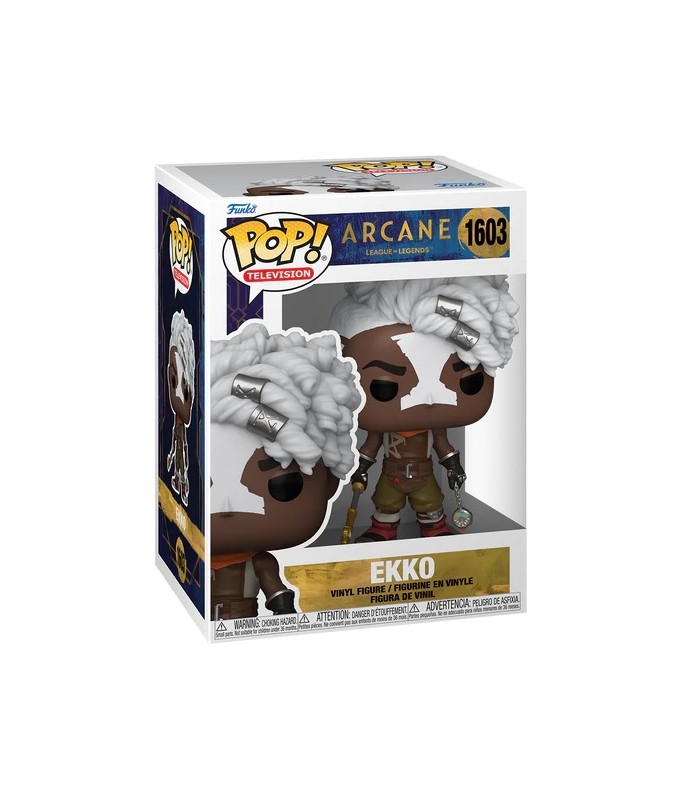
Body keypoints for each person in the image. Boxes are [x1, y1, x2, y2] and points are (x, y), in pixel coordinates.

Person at [330, 277, 519, 541]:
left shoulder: (432, 427)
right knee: (386, 506)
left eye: (469, 382)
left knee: (430, 506)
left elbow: (442, 444)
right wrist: (361, 467)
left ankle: (434, 529)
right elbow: (371, 445)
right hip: (391, 473)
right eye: (385, 387)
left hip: (424, 473)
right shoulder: (385, 427)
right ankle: (382, 531)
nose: (427, 399)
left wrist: (453, 466)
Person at [210, 323, 361, 619]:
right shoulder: (193, 555)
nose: (226, 506)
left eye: (282, 485)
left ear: (330, 483)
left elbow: (277, 593)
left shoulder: (260, 563)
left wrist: (284, 610)